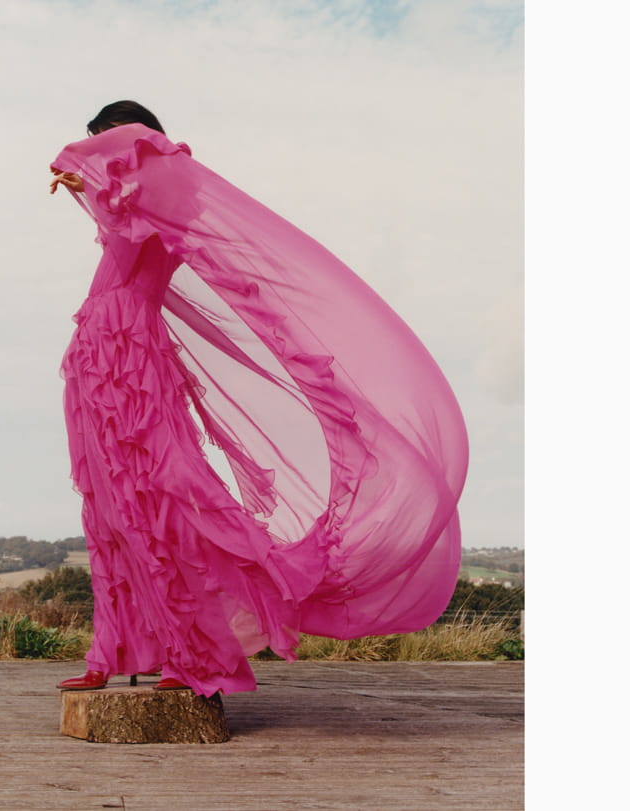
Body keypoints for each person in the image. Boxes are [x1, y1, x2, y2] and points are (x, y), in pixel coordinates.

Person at [50, 101, 468, 696]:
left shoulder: (169, 189)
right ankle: (114, 651)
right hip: (94, 358)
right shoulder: (133, 196)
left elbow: (128, 210)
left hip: (132, 362)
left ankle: (195, 654)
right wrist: (81, 188)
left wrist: (84, 173)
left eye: (104, 142)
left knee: (171, 496)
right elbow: (116, 225)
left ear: (130, 137)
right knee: (112, 506)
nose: (99, 155)